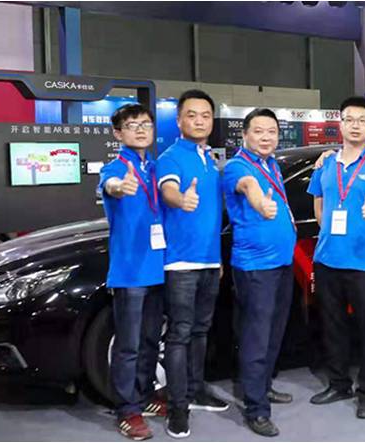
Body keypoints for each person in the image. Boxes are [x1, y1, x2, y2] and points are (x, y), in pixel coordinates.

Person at [307, 96, 365, 419]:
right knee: (333, 327)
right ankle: (339, 383)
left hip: (364, 263)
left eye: (362, 120)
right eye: (350, 119)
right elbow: (318, 202)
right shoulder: (326, 163)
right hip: (327, 260)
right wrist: (327, 227)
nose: (355, 125)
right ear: (340, 123)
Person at [156, 90, 227, 439]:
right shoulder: (171, 157)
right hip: (180, 264)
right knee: (180, 335)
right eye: (192, 115)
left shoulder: (209, 160)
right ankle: (177, 407)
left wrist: (218, 259)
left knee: (200, 331)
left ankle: (196, 390)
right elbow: (168, 190)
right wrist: (180, 199)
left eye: (205, 115)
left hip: (209, 261)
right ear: (179, 120)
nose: (199, 121)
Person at [222, 108, 297, 438]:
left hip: (281, 263)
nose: (266, 137)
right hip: (255, 268)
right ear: (245, 135)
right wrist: (260, 203)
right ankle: (256, 409)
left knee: (274, 333)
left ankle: (263, 386)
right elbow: (248, 186)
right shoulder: (238, 167)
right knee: (256, 337)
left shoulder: (272, 165)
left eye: (272, 132)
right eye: (259, 131)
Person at [98, 104, 166, 440]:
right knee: (128, 345)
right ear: (118, 132)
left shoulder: (154, 168)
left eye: (146, 124)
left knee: (151, 339)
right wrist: (118, 187)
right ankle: (126, 409)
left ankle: (145, 394)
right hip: (129, 272)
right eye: (132, 124)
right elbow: (110, 185)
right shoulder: (114, 169)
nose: (140, 129)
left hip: (158, 269)